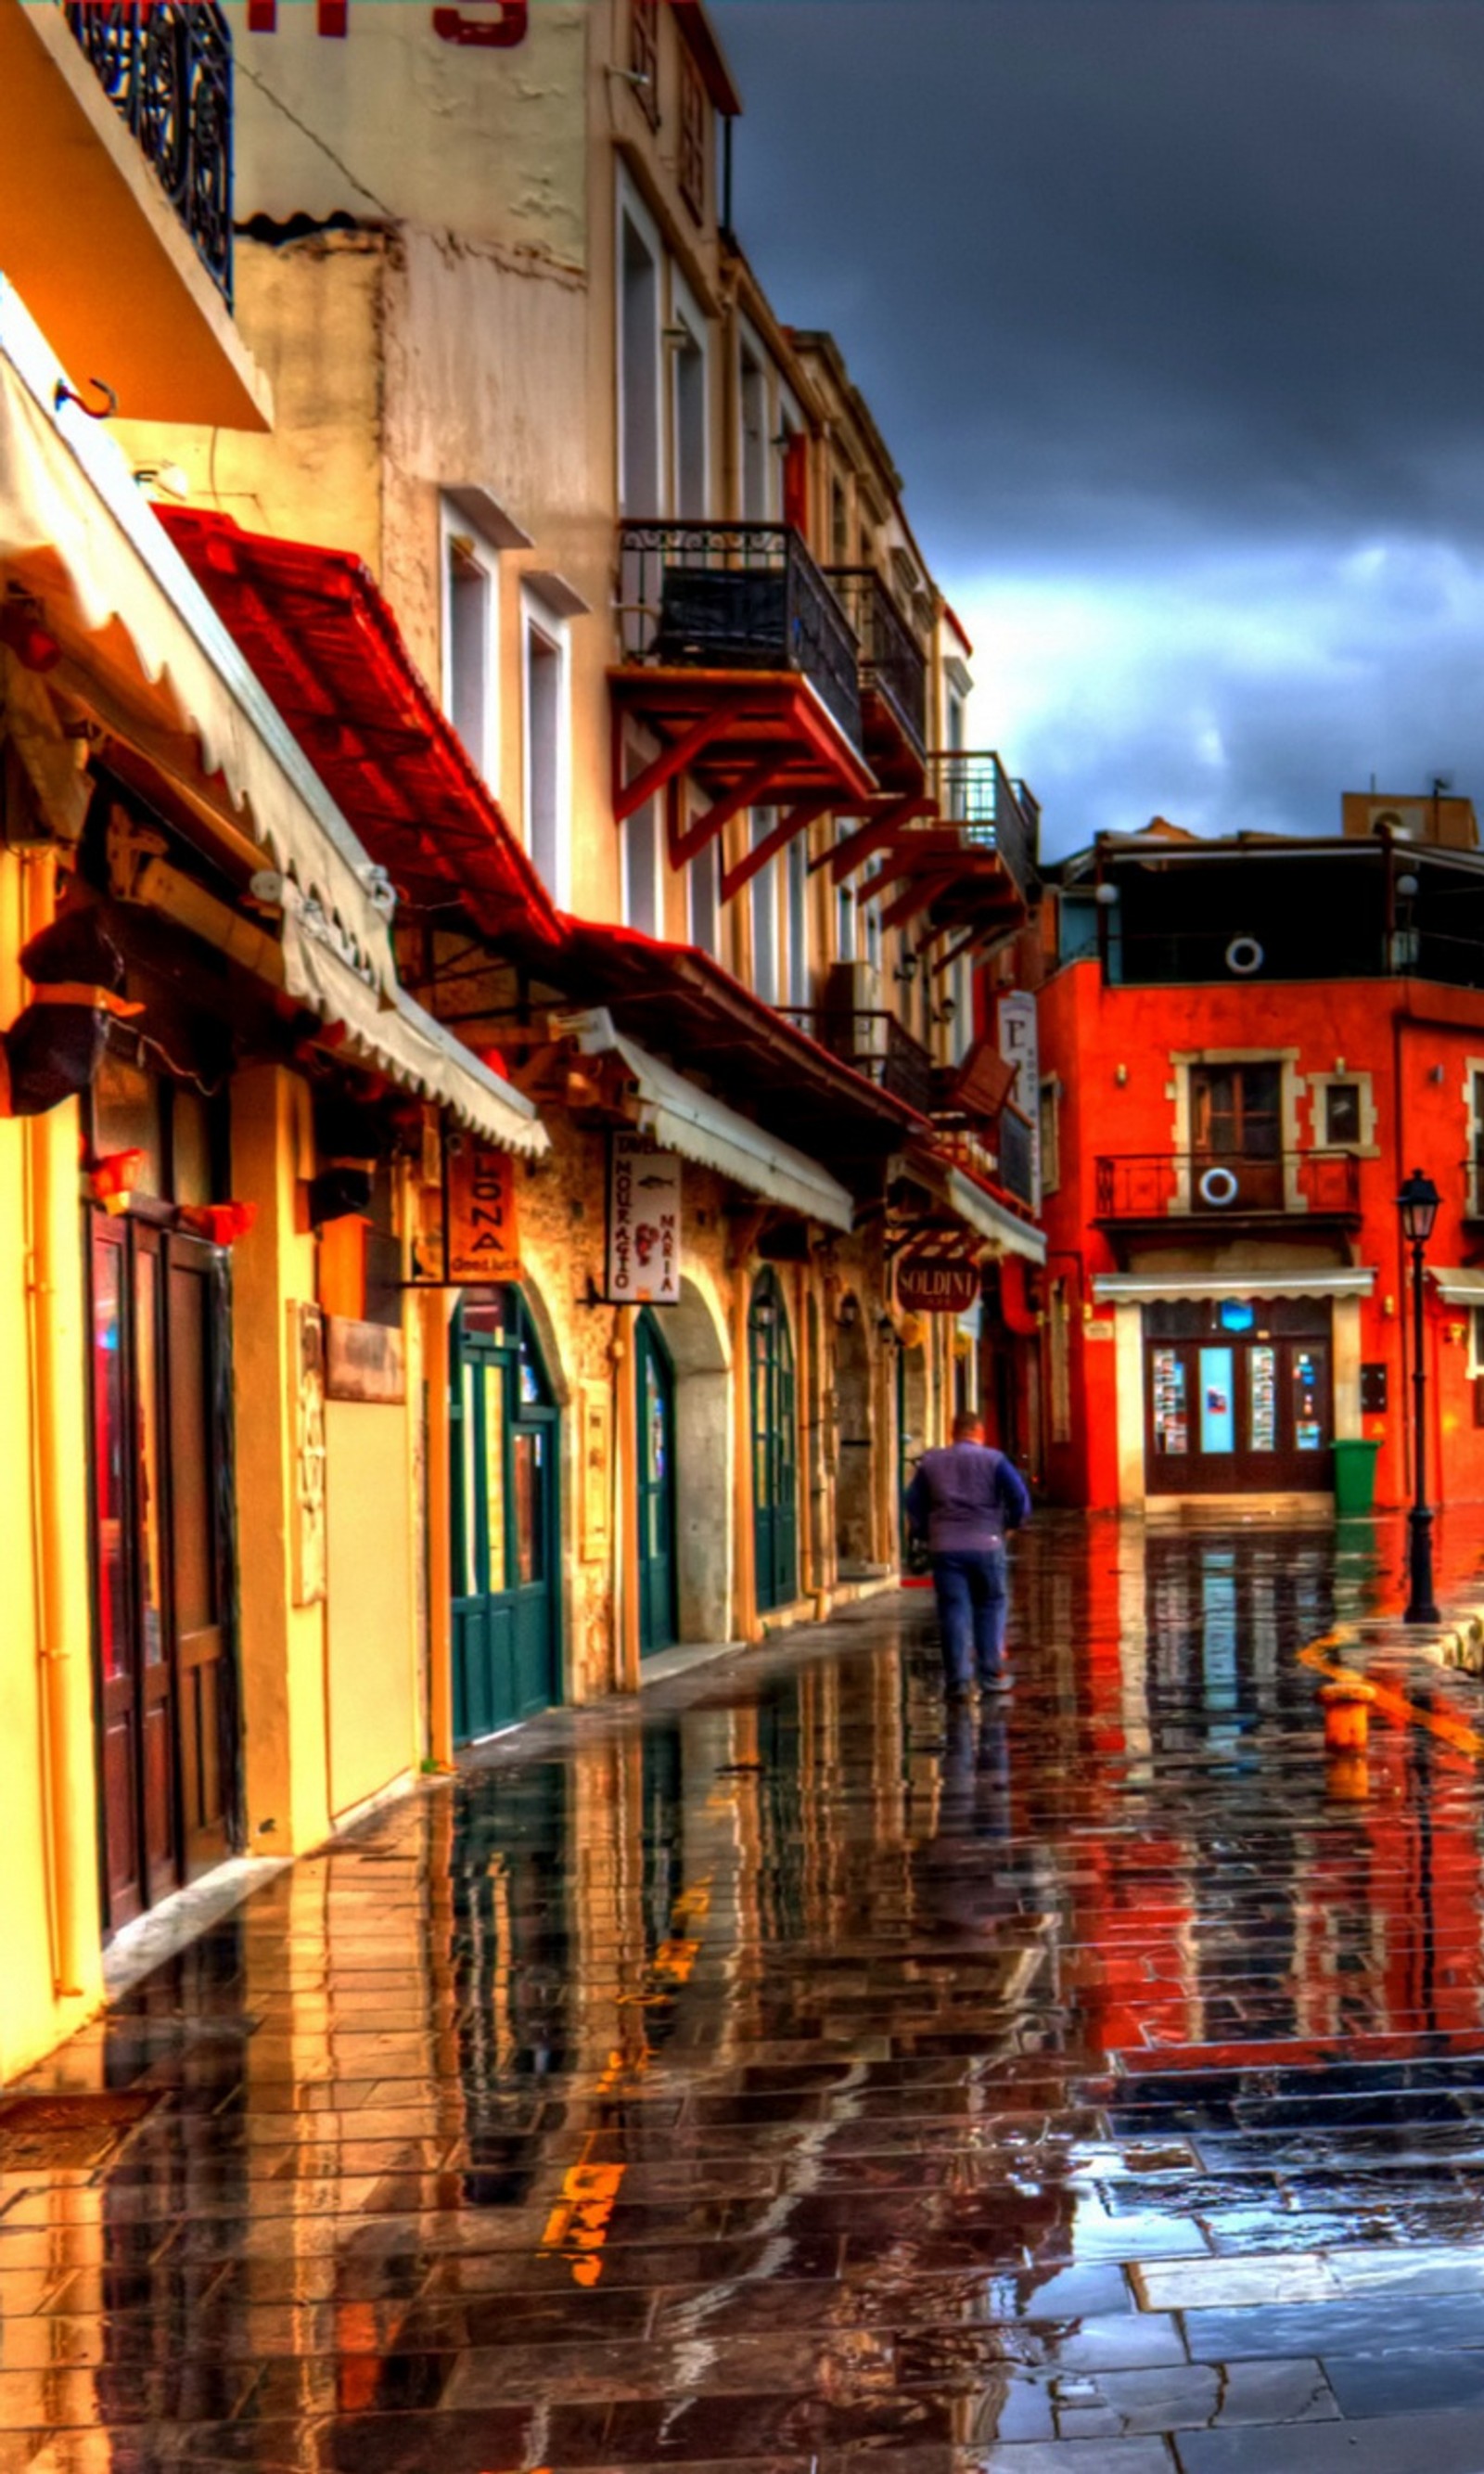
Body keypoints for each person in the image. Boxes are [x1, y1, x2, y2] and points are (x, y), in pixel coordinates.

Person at [904, 1411, 1030, 1700]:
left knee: (953, 1610)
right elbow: (1019, 1497)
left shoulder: (931, 1463)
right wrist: (1011, 1525)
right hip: (987, 1544)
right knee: (990, 1604)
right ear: (979, 1432)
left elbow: (913, 1502)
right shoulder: (994, 1460)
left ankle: (958, 1681)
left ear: (953, 1432)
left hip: (946, 1548)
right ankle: (990, 1675)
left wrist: (926, 1532)